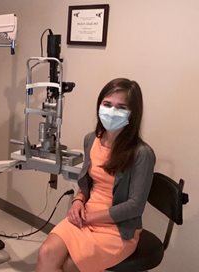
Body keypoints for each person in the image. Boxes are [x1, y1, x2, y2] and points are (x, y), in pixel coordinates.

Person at [36, 78, 156, 272]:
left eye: (120, 107)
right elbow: (86, 182)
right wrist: (77, 201)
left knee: (69, 266)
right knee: (46, 253)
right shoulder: (91, 139)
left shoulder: (142, 153)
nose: (111, 111)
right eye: (107, 104)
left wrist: (91, 218)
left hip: (117, 228)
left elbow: (135, 206)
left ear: (132, 114)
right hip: (86, 215)